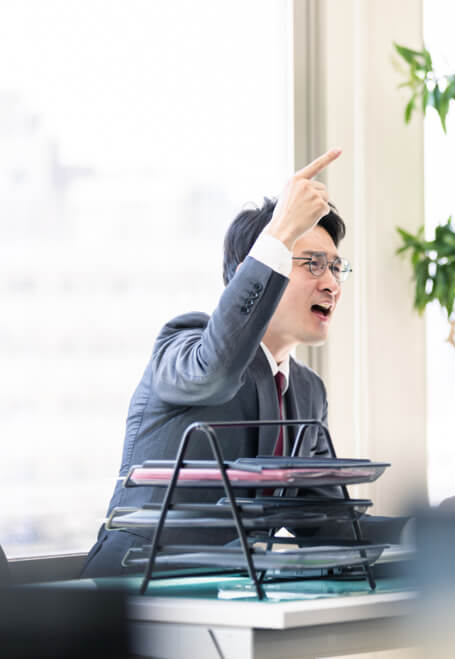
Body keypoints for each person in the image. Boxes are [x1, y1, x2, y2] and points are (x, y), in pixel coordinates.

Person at [81, 149, 406, 577]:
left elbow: (328, 523)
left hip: (230, 607)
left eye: (335, 267)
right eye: (312, 264)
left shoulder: (307, 391)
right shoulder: (182, 345)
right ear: (247, 273)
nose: (330, 283)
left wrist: (425, 531)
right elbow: (216, 371)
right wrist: (281, 231)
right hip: (129, 600)